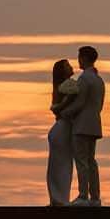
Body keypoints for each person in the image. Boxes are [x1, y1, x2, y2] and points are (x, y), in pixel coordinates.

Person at [61, 45, 107, 206]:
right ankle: (95, 197)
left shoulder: (84, 79)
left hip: (81, 125)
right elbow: (99, 105)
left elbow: (79, 103)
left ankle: (83, 195)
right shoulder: (99, 80)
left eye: (79, 57)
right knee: (91, 161)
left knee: (81, 160)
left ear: (85, 58)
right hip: (94, 123)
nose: (78, 60)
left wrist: (64, 112)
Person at [46, 59, 80, 206]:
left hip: (59, 129)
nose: (71, 66)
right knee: (63, 166)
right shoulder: (69, 85)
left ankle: (57, 198)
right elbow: (64, 106)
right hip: (63, 129)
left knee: (57, 166)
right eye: (67, 66)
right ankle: (60, 199)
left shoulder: (62, 86)